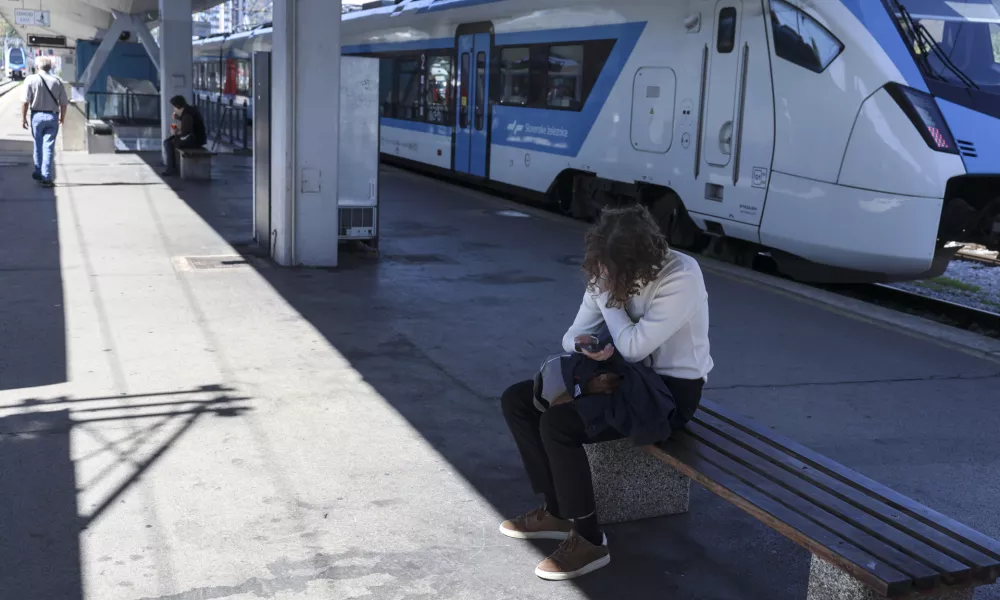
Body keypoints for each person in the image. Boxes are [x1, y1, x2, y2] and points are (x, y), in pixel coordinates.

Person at [499, 203, 714, 581]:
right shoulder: (605, 269)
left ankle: (589, 540)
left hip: (669, 395)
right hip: (624, 377)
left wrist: (608, 300)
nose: (606, 276)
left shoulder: (682, 275)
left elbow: (634, 346)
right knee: (517, 400)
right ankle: (555, 509)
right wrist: (586, 344)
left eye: (616, 270)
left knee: (559, 424)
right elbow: (571, 336)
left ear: (641, 260)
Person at [21, 57, 68, 187]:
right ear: (50, 67)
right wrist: (62, 117)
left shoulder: (30, 80)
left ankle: (38, 171)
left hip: (36, 116)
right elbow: (64, 103)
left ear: (37, 67)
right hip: (52, 116)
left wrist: (23, 118)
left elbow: (25, 101)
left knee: (38, 144)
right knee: (48, 147)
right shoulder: (57, 81)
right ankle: (46, 177)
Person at [161, 95, 207, 176]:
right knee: (169, 141)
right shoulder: (189, 111)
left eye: (174, 107)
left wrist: (175, 132)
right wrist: (178, 119)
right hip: (197, 138)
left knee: (169, 143)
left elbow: (186, 131)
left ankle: (171, 168)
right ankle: (172, 167)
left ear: (178, 107)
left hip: (195, 140)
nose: (174, 109)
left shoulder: (187, 115)